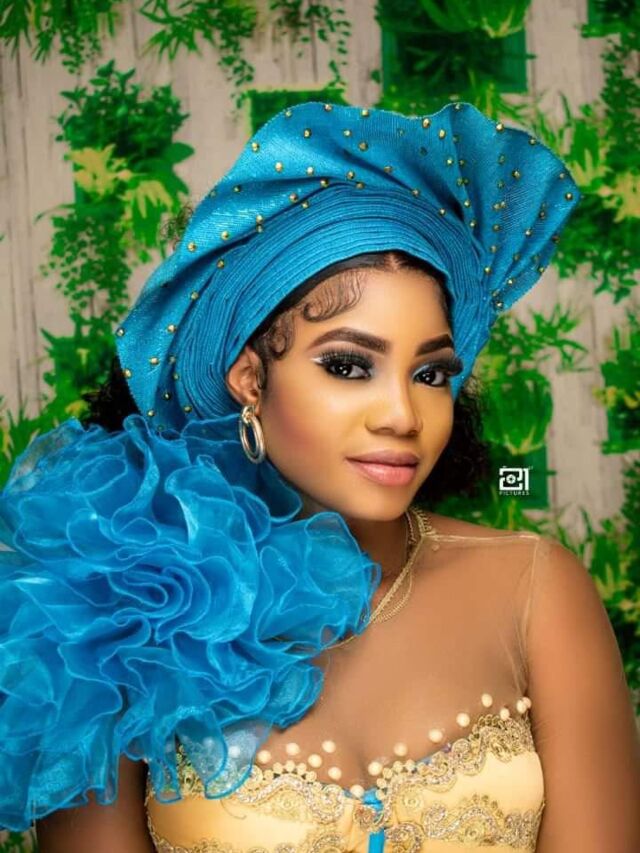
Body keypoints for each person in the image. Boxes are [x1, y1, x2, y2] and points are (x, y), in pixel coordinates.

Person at [1, 101, 639, 853]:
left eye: (431, 373)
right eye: (347, 365)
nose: (401, 414)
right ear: (249, 377)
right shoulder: (129, 614)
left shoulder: (537, 589)